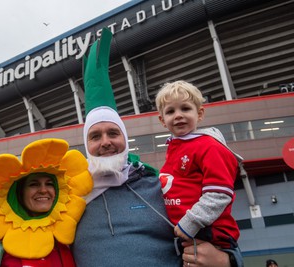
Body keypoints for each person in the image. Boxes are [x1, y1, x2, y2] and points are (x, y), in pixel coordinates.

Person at [71, 27, 243, 267]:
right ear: (86, 145)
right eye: (95, 136)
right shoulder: (69, 195)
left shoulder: (158, 186)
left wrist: (228, 261)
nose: (106, 142)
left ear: (125, 137)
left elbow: (217, 224)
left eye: (113, 133)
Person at [0, 138, 93, 267]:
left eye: (49, 184)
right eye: (34, 184)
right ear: (20, 192)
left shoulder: (65, 236)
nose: (43, 190)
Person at [155, 80, 241, 250]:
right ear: (162, 120)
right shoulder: (175, 148)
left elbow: (219, 194)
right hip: (187, 236)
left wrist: (190, 223)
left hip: (209, 235)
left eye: (185, 108)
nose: (178, 115)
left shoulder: (209, 146)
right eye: (170, 111)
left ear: (200, 114)